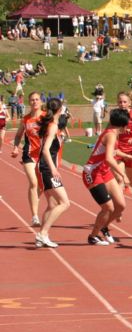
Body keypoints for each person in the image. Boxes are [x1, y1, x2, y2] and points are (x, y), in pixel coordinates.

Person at [82, 108, 130, 246]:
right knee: (108, 208)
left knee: (120, 205)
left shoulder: (112, 132)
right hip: (92, 173)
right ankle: (93, 236)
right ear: (123, 125)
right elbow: (109, 158)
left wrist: (125, 155)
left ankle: (104, 227)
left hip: (103, 172)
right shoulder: (111, 135)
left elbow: (111, 151)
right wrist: (122, 174)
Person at [34, 98, 70, 248]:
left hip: (43, 168)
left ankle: (42, 235)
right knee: (64, 203)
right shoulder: (53, 126)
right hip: (46, 169)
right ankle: (42, 234)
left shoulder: (51, 124)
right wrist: (53, 168)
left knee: (52, 203)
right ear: (59, 109)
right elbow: (46, 150)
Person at [10, 92, 44, 227]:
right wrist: (16, 148)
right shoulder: (26, 119)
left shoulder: (46, 117)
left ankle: (34, 199)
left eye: (37, 99)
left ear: (41, 102)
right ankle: (35, 216)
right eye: (32, 100)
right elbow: (18, 135)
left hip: (43, 155)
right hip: (29, 154)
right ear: (29, 102)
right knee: (33, 183)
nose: (34, 102)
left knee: (41, 186)